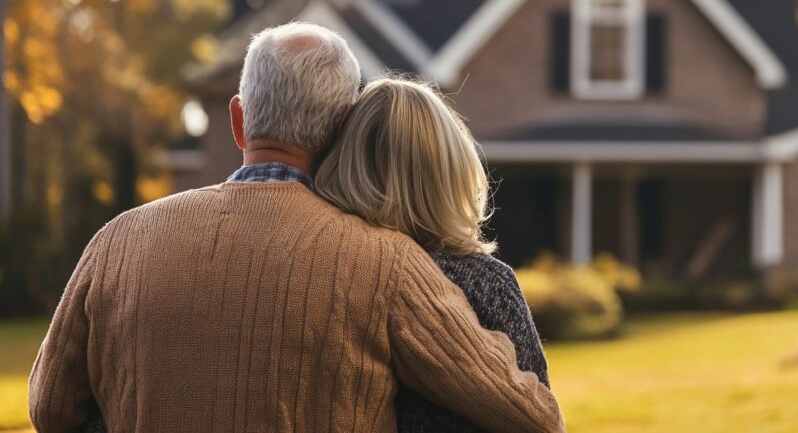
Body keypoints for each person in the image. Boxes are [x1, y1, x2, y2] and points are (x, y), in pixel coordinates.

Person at [29, 22, 564, 432]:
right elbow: (531, 412)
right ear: (342, 129)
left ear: (238, 119)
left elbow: (50, 407)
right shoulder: (388, 264)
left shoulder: (116, 241)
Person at [316, 77, 549, 432]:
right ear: (451, 170)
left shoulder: (322, 271)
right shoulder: (486, 282)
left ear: (344, 164)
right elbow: (541, 413)